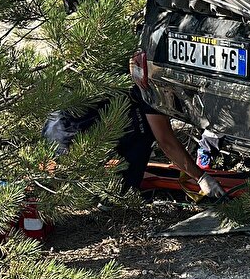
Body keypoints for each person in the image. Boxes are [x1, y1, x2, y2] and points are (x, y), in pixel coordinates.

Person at [44, 53, 224, 198]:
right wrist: (201, 178)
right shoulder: (152, 85)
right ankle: (120, 195)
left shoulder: (133, 63)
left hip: (54, 128)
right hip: (72, 142)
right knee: (144, 135)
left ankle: (106, 191)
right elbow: (165, 141)